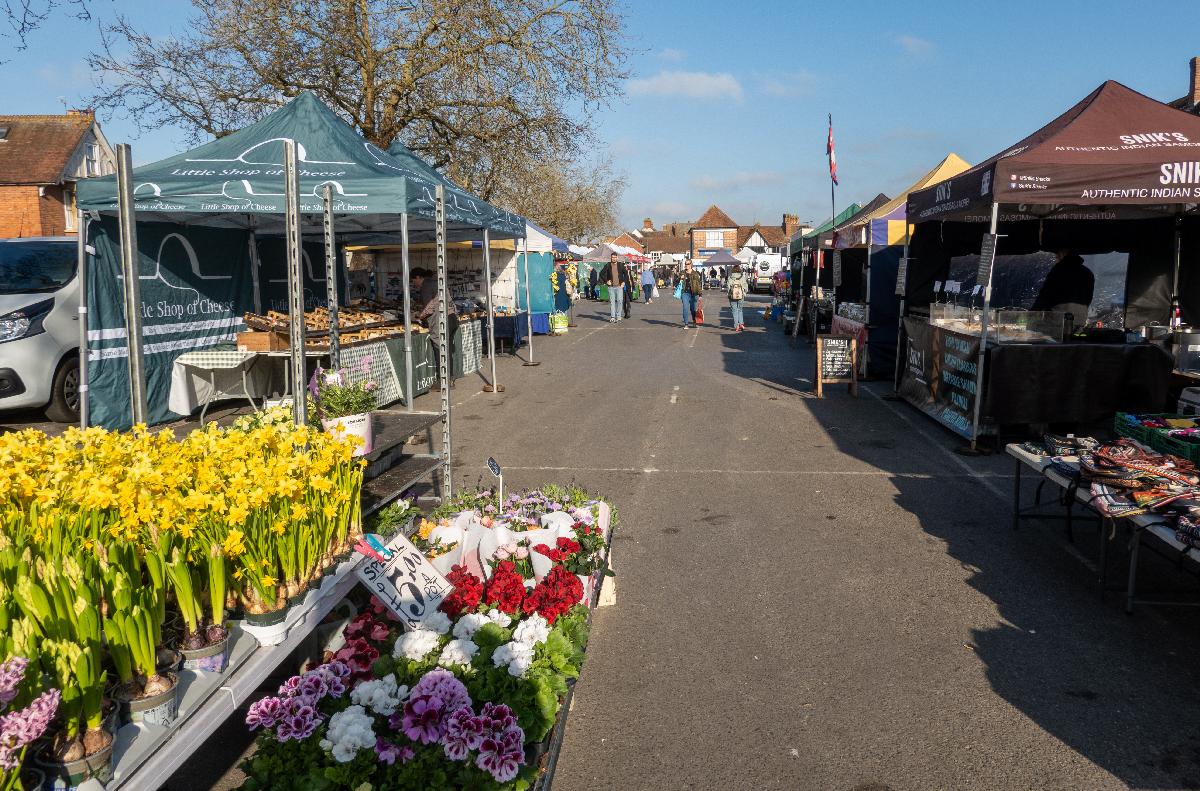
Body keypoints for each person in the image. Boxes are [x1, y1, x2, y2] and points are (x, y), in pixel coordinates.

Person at [412, 267, 458, 389]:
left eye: (413, 280)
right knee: (447, 351)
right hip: (452, 318)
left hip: (442, 321)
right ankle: (450, 379)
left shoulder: (426, 286)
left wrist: (418, 316)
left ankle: (442, 381)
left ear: (418, 277)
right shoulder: (438, 283)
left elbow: (429, 307)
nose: (413, 284)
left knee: (440, 351)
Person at [1032, 249, 1094, 328]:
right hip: (1080, 322)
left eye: (1058, 253)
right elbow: (1088, 299)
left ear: (1064, 253)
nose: (1056, 256)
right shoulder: (1088, 273)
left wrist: (1031, 314)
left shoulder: (1059, 269)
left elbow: (1045, 295)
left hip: (1058, 322)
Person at [602, 253, 628, 323]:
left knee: (620, 301)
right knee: (612, 302)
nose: (614, 258)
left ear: (617, 258)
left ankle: (618, 316)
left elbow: (626, 274)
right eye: (612, 257)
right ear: (611, 258)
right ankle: (613, 317)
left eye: (615, 257)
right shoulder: (608, 265)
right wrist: (606, 281)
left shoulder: (620, 265)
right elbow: (601, 274)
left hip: (619, 286)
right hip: (611, 287)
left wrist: (623, 282)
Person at [680, 260, 703, 328]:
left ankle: (694, 320)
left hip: (693, 293)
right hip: (685, 293)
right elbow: (676, 282)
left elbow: (698, 284)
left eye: (688, 264)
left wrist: (700, 294)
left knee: (692, 309)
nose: (686, 265)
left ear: (691, 265)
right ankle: (686, 324)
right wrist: (679, 278)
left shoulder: (695, 274)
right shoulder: (682, 273)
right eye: (685, 264)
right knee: (685, 308)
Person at [726, 263, 749, 332]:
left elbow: (728, 287)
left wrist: (729, 294)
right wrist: (744, 292)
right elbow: (745, 286)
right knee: (740, 310)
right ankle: (741, 323)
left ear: (733, 270)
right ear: (739, 270)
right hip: (741, 295)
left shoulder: (730, 277)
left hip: (732, 296)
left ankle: (737, 326)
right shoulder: (742, 277)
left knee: (734, 310)